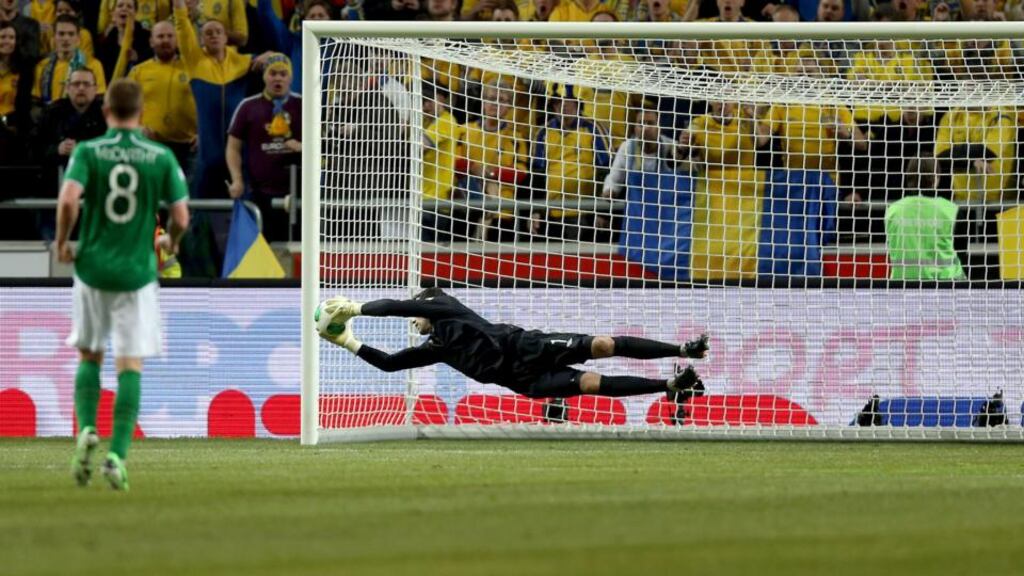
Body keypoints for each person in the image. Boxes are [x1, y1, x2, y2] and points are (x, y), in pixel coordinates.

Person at [58, 78, 190, 490]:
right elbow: (182, 217)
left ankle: (86, 429)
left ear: (105, 111)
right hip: (137, 275)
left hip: (93, 270)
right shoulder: (160, 155)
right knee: (129, 363)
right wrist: (171, 241)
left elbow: (67, 200)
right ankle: (116, 456)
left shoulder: (88, 150)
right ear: (142, 113)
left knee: (89, 357)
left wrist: (63, 242)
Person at [317, 288, 710, 407]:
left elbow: (395, 307)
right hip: (520, 378)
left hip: (527, 345)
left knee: (603, 344)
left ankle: (682, 350)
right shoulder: (437, 346)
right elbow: (388, 363)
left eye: (416, 314)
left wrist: (355, 307)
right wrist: (346, 339)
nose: (411, 320)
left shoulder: (445, 308)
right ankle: (669, 388)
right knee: (590, 384)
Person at [226, 52, 300, 241]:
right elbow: (233, 148)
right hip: (259, 195)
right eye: (273, 73)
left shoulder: (304, 105)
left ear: (290, 77)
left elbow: (322, 143)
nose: (277, 78)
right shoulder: (248, 106)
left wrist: (302, 147)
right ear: (264, 76)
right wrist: (237, 180)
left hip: (298, 195)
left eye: (283, 74)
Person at [127, 20, 198, 172]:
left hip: (189, 148)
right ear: (151, 42)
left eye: (170, 36)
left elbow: (209, 103)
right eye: (160, 36)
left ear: (177, 40)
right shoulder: (138, 72)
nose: (165, 40)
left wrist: (203, 133)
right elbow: (125, 109)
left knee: (186, 195)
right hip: (149, 147)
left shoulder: (194, 68)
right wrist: (138, 128)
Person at [884, 157, 967, 280]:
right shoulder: (951, 210)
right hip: (947, 286)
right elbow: (961, 253)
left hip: (903, 286)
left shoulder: (893, 210)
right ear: (936, 178)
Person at [33, 15, 107, 105]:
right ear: (53, 38)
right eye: (61, 34)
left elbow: (99, 100)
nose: (66, 38)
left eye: (71, 34)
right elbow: (35, 102)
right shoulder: (42, 66)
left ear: (78, 39)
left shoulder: (94, 65)